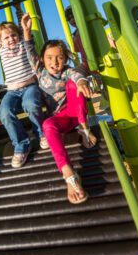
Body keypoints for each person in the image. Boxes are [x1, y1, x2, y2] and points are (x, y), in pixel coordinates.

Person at [21, 13, 96, 205]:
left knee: (74, 84)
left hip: (75, 115)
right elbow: (29, 52)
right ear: (43, 59)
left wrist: (81, 81)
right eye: (50, 58)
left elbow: (77, 74)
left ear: (65, 59)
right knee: (47, 124)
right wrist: (26, 31)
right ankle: (68, 173)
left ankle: (85, 128)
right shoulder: (40, 71)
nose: (55, 62)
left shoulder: (67, 71)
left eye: (59, 58)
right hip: (60, 119)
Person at [0, 3, 47, 169]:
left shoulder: (23, 43)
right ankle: (22, 144)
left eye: (13, 35)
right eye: (6, 38)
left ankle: (41, 134)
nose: (10, 39)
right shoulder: (0, 49)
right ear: (0, 41)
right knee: (4, 112)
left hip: (29, 86)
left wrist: (17, 8)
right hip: (12, 91)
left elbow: (23, 26)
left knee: (30, 104)